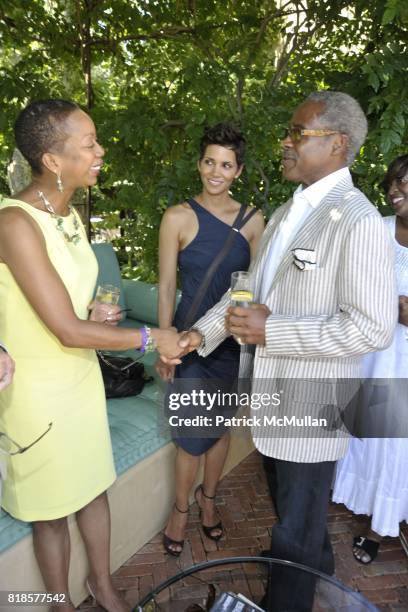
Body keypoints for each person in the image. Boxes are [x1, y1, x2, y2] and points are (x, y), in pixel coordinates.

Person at [164, 91, 397, 611]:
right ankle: (324, 581)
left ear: (338, 144)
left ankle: (292, 596)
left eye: (298, 134)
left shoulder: (356, 220)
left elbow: (371, 328)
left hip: (313, 410)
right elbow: (246, 289)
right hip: (271, 403)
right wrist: (201, 333)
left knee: (293, 529)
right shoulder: (292, 209)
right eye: (289, 133)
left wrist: (276, 331)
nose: (285, 143)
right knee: (298, 515)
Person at [0, 99, 181, 612]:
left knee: (93, 488)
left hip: (80, 382)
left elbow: (66, 309)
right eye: (89, 144)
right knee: (50, 511)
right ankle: (61, 603)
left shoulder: (68, 217)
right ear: (52, 160)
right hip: (37, 393)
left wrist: (95, 314)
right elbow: (62, 329)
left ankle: (102, 586)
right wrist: (151, 340)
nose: (101, 152)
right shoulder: (14, 222)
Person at [156, 123, 264, 555]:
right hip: (186, 340)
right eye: (209, 162)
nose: (215, 172)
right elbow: (166, 285)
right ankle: (180, 510)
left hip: (232, 342)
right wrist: (165, 343)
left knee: (219, 430)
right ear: (199, 163)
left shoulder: (254, 220)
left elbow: (258, 287)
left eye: (226, 164)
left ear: (238, 170)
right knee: (190, 434)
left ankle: (209, 501)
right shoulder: (178, 216)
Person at [332, 154, 408, 564]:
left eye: (403, 182)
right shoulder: (376, 231)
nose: (394, 190)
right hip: (376, 358)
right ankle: (374, 518)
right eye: (391, 183)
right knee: (377, 439)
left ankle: (384, 524)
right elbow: (347, 284)